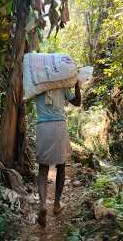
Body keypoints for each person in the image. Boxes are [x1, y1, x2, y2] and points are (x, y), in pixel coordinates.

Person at [34, 81, 81, 228]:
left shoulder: (37, 84)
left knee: (43, 169)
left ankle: (42, 205)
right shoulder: (62, 85)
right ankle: (56, 204)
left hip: (43, 127)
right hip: (59, 126)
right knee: (61, 167)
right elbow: (77, 102)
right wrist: (77, 85)